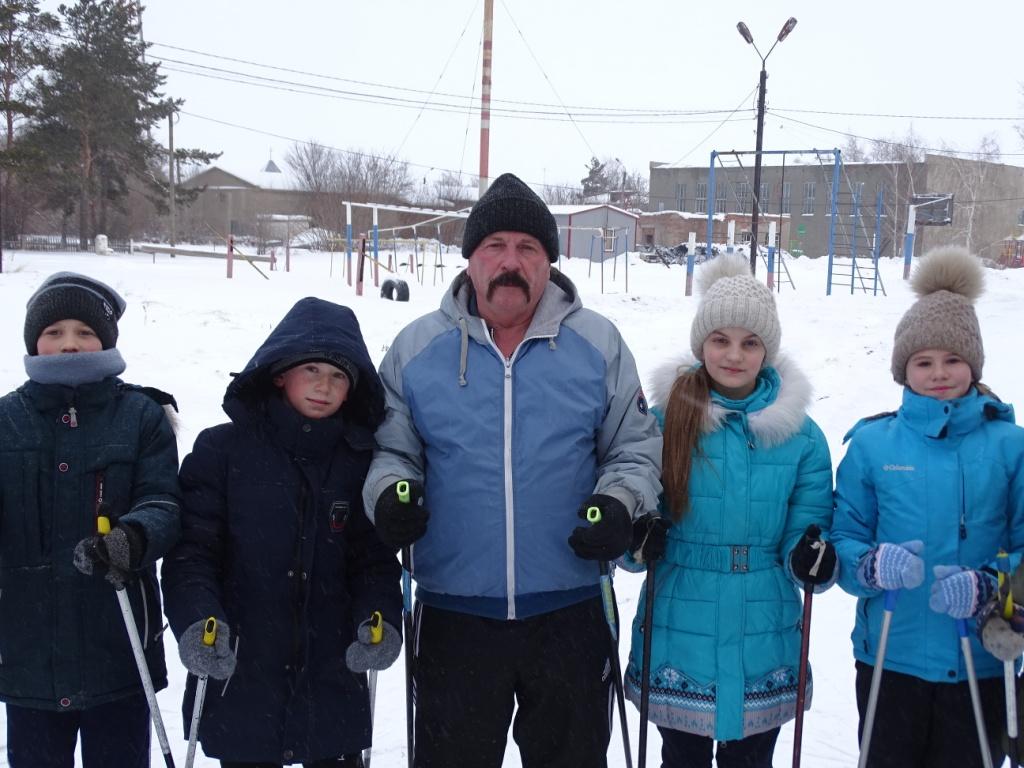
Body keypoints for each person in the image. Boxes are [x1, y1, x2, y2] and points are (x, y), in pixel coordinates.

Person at [362, 172, 663, 767]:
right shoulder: (417, 349)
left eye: (528, 248)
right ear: (470, 259)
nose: (510, 260)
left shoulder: (597, 344)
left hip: (570, 610)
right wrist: (390, 496)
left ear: (548, 263)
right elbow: (392, 452)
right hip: (454, 614)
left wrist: (623, 503)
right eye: (494, 246)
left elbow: (632, 447)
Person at [162, 297, 402, 768]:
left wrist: (379, 616)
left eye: (338, 376)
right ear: (279, 374)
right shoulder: (222, 451)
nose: (324, 386)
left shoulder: (358, 462)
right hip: (242, 677)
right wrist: (198, 619)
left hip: (332, 679)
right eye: (311, 370)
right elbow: (193, 553)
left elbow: (372, 561)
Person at [621, 253, 836, 768]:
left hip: (765, 630)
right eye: (721, 339)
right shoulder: (664, 421)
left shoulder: (801, 437)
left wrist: (810, 557)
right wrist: (637, 539)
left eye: (750, 342)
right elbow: (635, 508)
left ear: (768, 349)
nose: (734, 355)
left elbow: (807, 529)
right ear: (702, 344)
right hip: (680, 627)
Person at [831, 245, 1024, 768]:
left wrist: (992, 587)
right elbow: (842, 539)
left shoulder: (1011, 446)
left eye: (953, 359)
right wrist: (870, 566)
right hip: (891, 657)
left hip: (981, 660)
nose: (939, 373)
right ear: (903, 368)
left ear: (974, 363)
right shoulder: (873, 446)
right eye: (924, 361)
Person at [0, 271, 181, 768]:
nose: (69, 345)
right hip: (27, 651)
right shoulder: (6, 420)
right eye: (54, 332)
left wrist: (132, 538)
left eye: (84, 332)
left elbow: (164, 503)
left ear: (105, 340)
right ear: (34, 340)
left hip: (117, 649)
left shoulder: (141, 416)